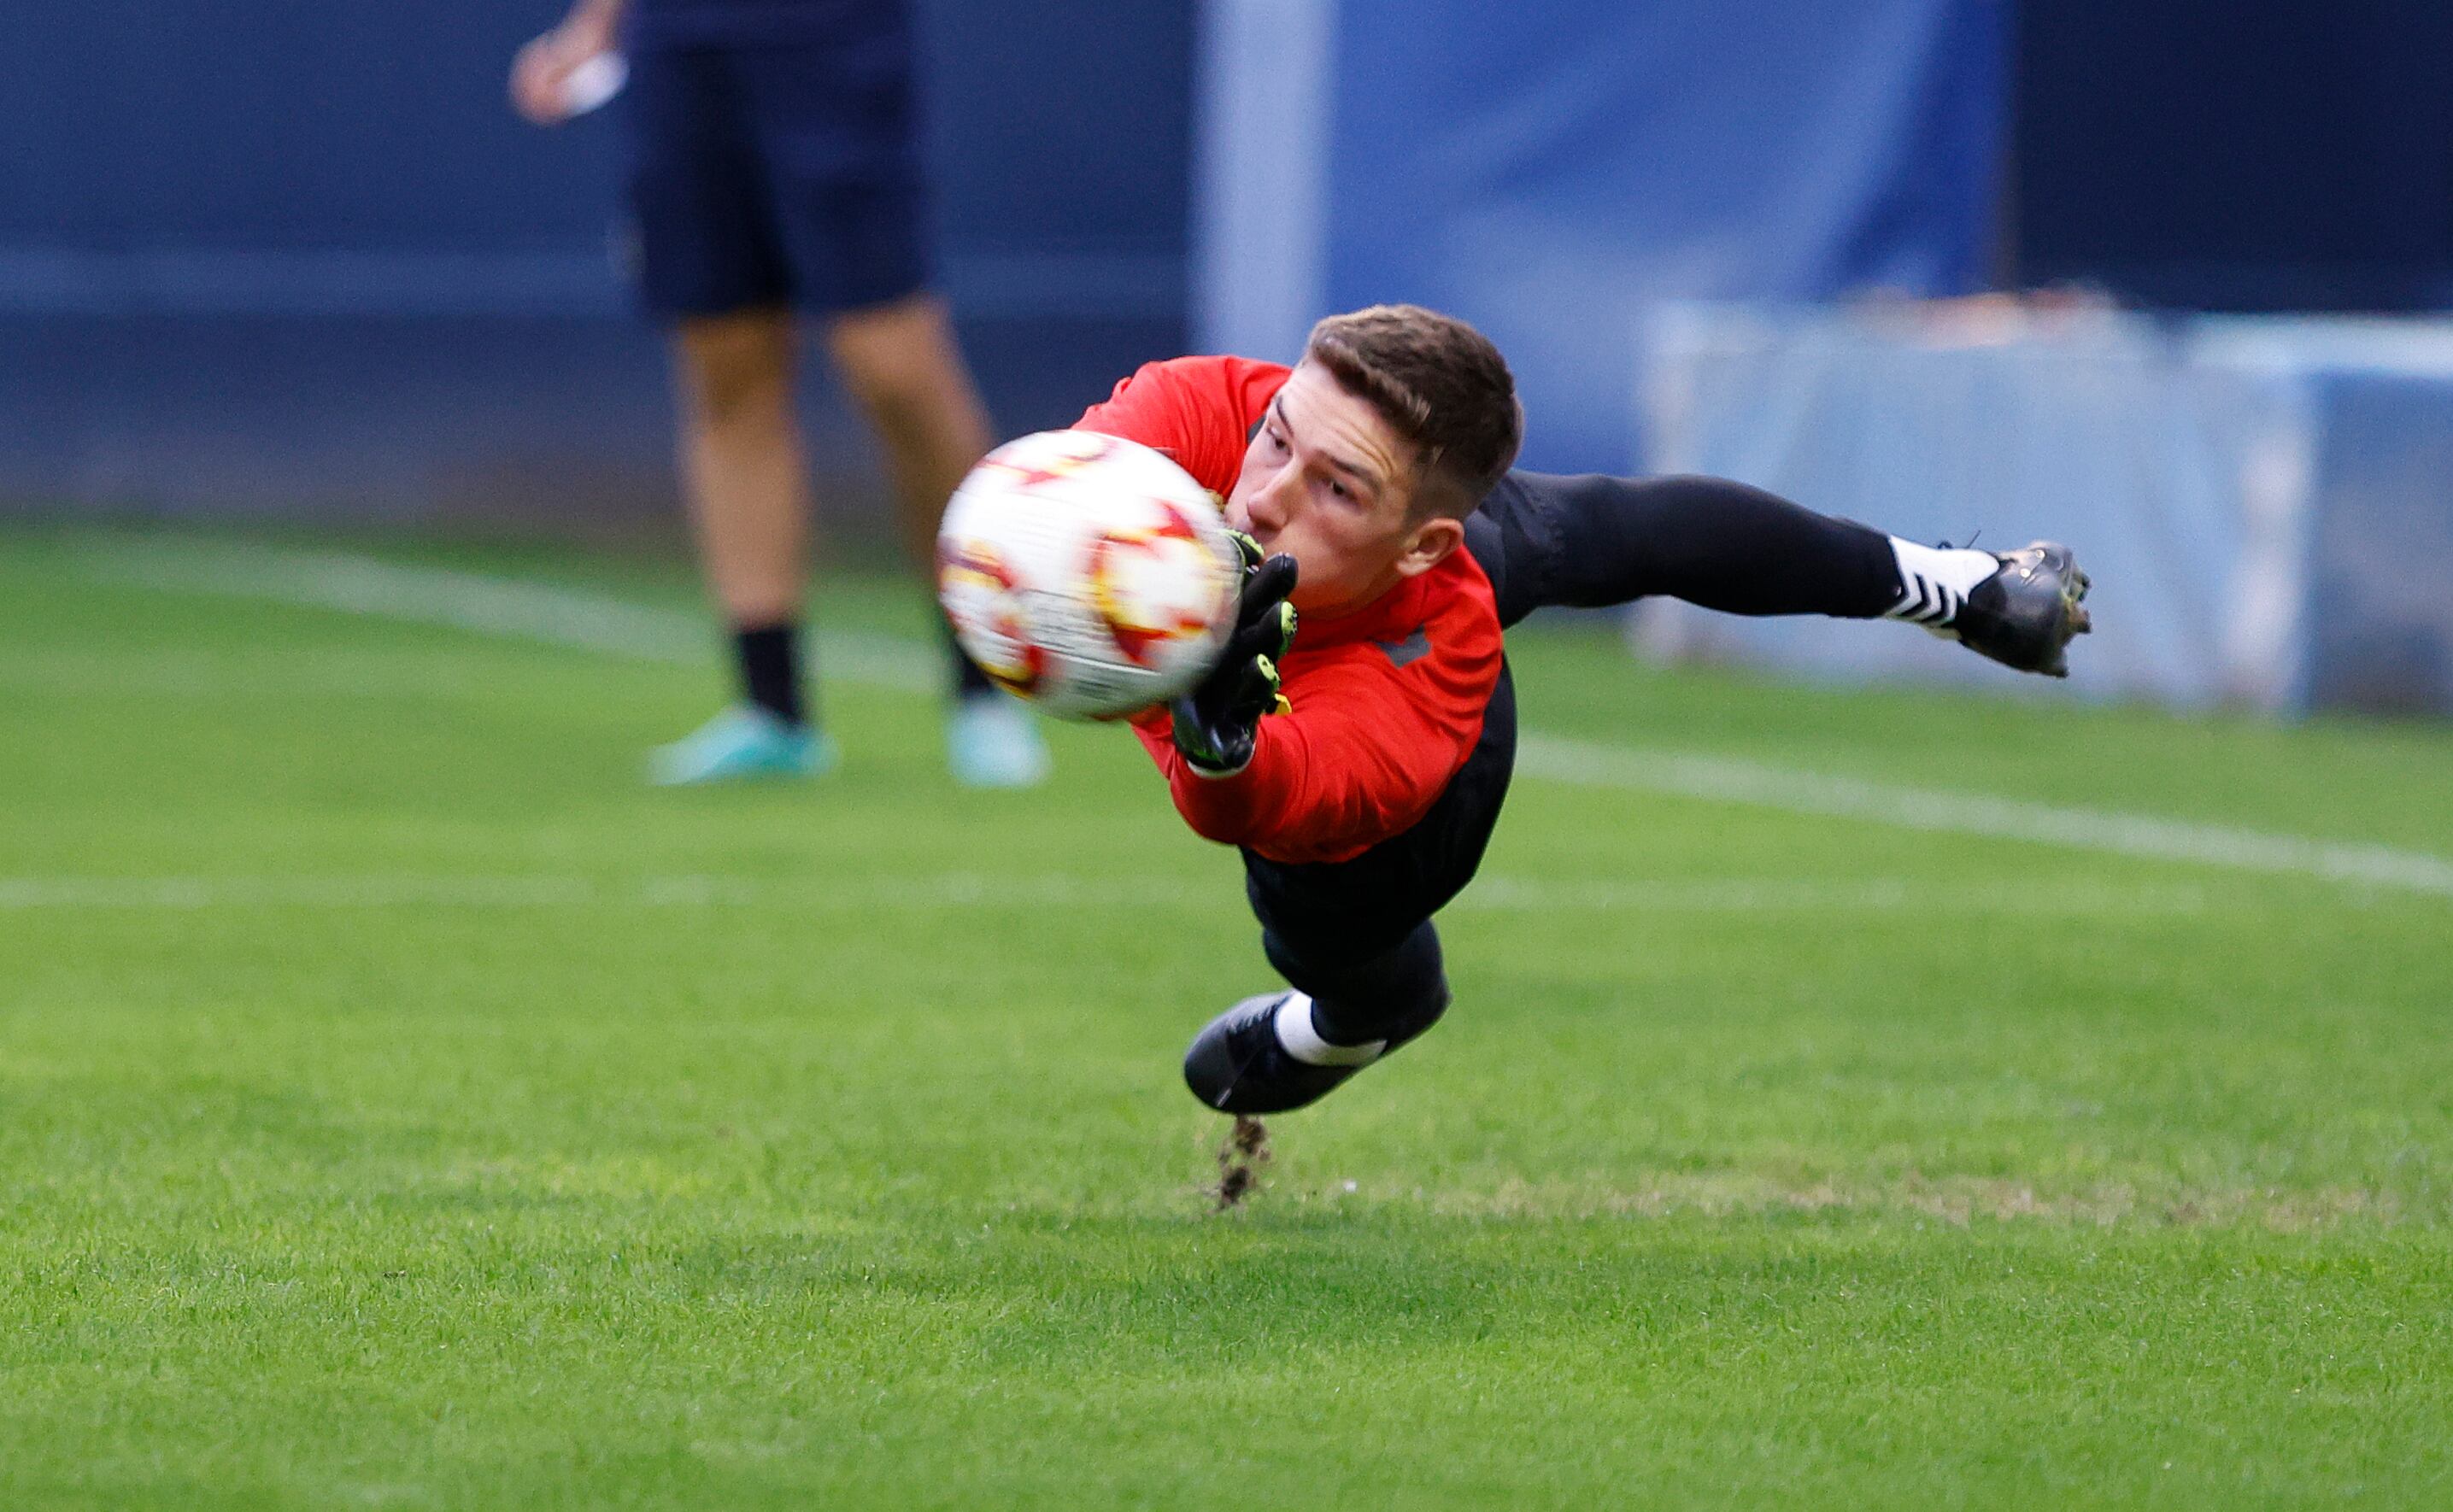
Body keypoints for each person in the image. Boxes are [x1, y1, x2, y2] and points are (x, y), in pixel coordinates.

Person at [1072, 305, 2090, 1115]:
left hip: (1401, 797)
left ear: (1421, 541)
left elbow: (1262, 803)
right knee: (1601, 526)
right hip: (1355, 605)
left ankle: (1353, 1021)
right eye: (1277, 437)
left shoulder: (1429, 661)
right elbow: (1051, 497)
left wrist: (1221, 750)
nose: (1260, 497)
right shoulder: (1205, 416)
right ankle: (1969, 589)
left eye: (1335, 489)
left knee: (1333, 935)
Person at [511, 0, 1048, 788]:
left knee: (893, 367)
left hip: (830, 32)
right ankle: (772, 710)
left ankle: (985, 689)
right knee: (725, 365)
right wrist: (595, 24)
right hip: (678, 41)